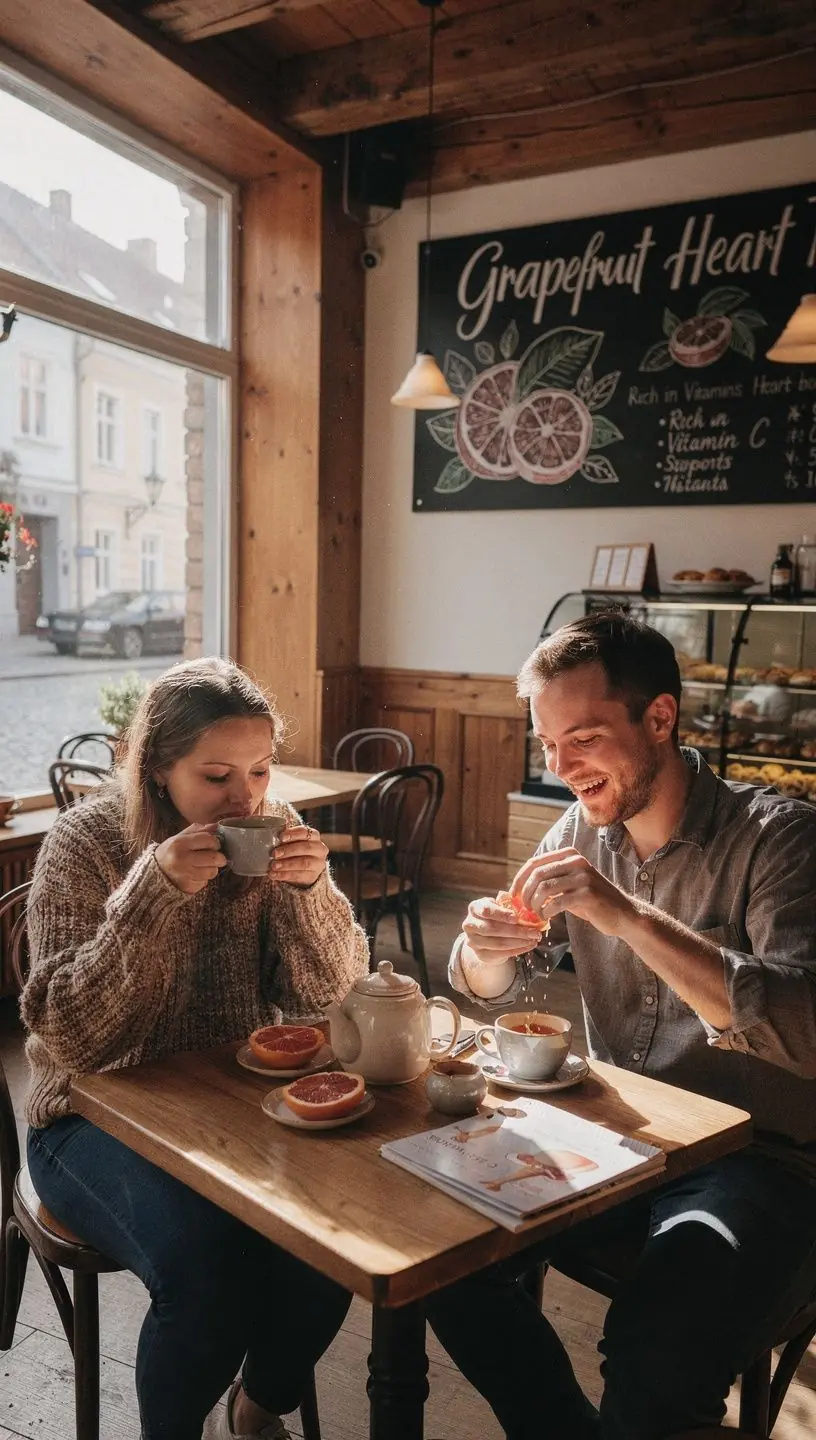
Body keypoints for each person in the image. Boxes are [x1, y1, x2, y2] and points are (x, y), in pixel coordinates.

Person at [426, 611, 816, 1440]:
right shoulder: (581, 827)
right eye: (547, 745)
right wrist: (485, 948)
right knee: (435, 1258)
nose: (561, 769)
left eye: (585, 739)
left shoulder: (781, 840)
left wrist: (630, 917)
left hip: (765, 1162)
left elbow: (807, 1031)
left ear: (662, 720)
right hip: (616, 1143)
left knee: (654, 1363)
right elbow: (487, 984)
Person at [23, 656, 369, 1440]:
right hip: (87, 1118)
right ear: (154, 772)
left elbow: (324, 997)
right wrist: (149, 898)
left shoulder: (273, 832)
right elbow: (72, 1036)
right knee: (210, 1271)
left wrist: (310, 894)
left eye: (259, 769)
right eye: (217, 776)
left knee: (336, 1245)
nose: (246, 797)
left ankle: (259, 1407)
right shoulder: (85, 844)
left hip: (229, 1106)